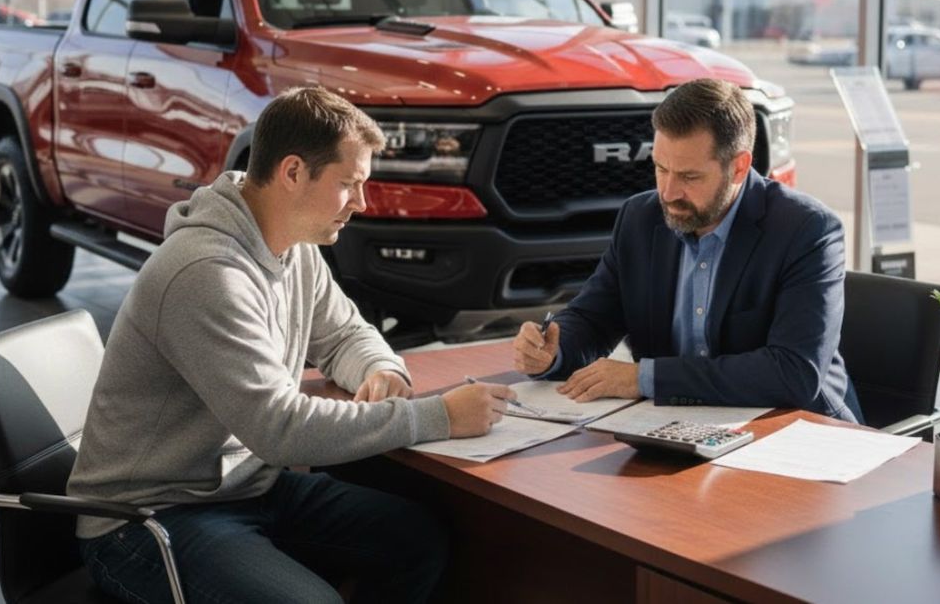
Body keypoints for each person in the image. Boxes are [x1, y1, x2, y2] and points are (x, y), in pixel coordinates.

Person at [68, 87, 516, 604]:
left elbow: (345, 332)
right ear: (293, 172)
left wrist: (377, 368)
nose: (361, 203)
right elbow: (280, 429)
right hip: (147, 521)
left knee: (416, 540)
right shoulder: (205, 273)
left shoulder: (292, 246)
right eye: (349, 184)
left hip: (246, 489)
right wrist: (438, 416)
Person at [512, 78, 862, 423]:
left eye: (690, 177)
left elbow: (793, 373)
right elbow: (593, 319)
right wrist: (553, 351)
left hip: (797, 431)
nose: (668, 192)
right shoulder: (640, 218)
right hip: (676, 427)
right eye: (661, 169)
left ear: (739, 167)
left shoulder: (806, 230)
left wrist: (644, 379)